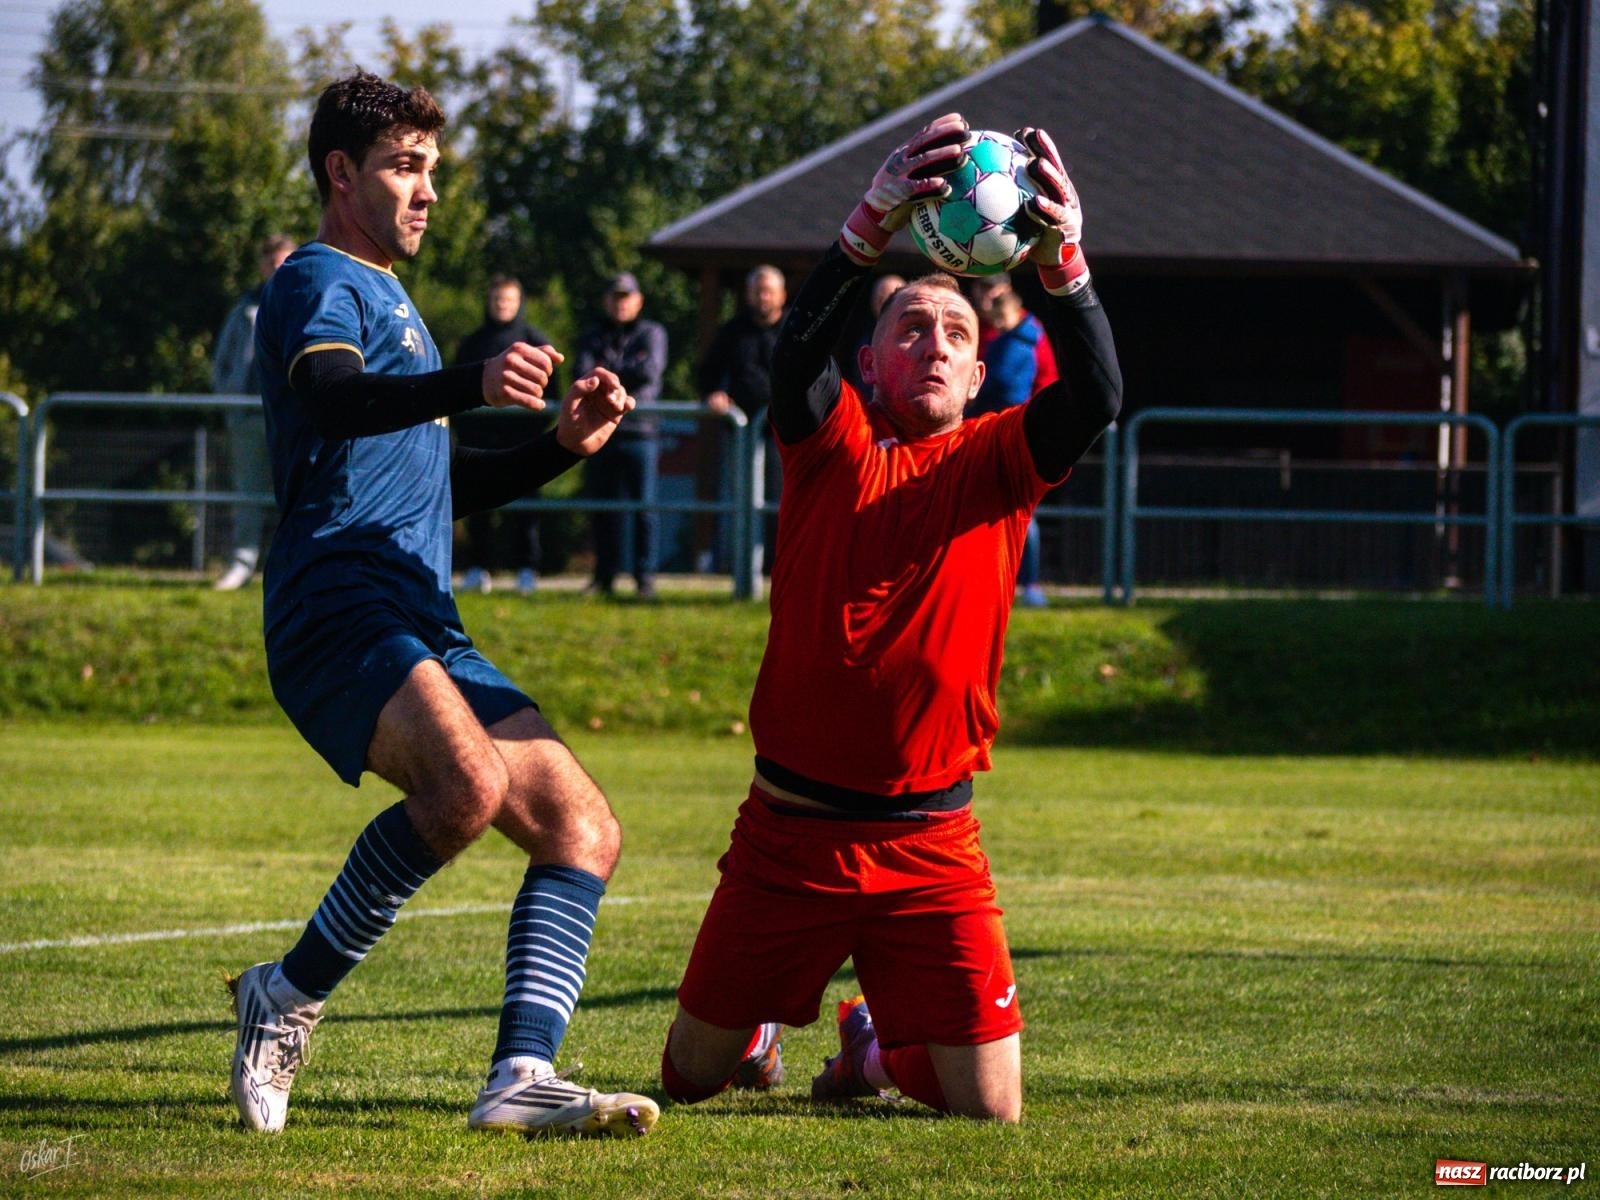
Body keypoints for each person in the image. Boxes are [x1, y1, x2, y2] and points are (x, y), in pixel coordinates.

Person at [658, 113, 1121, 1122]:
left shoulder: (1003, 457)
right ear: (869, 365)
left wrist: (1065, 258)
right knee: (686, 1079)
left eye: (955, 332)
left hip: (930, 843)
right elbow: (791, 358)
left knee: (991, 1112)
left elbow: (1097, 393)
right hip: (790, 835)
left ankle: (867, 1052)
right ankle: (760, 1030)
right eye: (909, 327)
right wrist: (867, 225)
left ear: (977, 367)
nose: (935, 344)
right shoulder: (830, 442)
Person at [229, 70, 657, 1139]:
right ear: (341, 173)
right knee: (465, 784)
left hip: (421, 613)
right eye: (403, 168)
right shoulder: (318, 281)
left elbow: (439, 481)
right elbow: (330, 391)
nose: (427, 192)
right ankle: (285, 998)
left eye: (431, 170)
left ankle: (520, 1075)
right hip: (336, 600)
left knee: (582, 829)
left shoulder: (398, 303)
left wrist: (559, 446)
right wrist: (471, 381)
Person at [453, 274, 558, 595]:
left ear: (520, 303)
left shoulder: (537, 343)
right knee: (477, 507)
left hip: (522, 439)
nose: (503, 306)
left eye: (509, 300)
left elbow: (552, 395)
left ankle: (527, 568)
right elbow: (455, 390)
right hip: (480, 440)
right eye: (498, 300)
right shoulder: (471, 344)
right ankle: (478, 567)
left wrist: (531, 431)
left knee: (527, 508)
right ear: (489, 302)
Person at [211, 233, 296, 591]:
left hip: (293, 419)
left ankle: (293, 568)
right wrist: (229, 402)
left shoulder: (308, 302)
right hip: (247, 416)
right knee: (248, 493)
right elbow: (222, 362)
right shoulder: (244, 308)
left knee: (294, 494)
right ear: (262, 265)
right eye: (270, 261)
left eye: (283, 261)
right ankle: (242, 564)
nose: (276, 268)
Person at [575, 273, 668, 597]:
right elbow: (582, 374)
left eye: (627, 296)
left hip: (640, 431)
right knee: (603, 507)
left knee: (645, 508)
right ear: (606, 301)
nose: (621, 302)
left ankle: (645, 579)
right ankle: (604, 577)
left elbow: (648, 372)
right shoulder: (592, 335)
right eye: (615, 296)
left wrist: (606, 372)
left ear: (639, 300)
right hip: (601, 431)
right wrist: (622, 370)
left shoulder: (653, 332)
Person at [968, 274, 1056, 607]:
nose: (987, 296)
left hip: (1018, 434)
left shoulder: (1029, 332)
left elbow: (1047, 381)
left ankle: (1029, 583)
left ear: (1007, 290)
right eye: (981, 289)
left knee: (1022, 513)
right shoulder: (976, 328)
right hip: (976, 435)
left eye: (993, 289)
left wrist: (1037, 425)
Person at [695, 265, 787, 573]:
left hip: (784, 432)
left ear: (781, 295)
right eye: (757, 291)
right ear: (748, 295)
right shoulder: (732, 332)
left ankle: (779, 568)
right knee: (740, 499)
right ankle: (739, 568)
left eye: (768, 291)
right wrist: (713, 394)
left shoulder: (796, 330)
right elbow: (707, 373)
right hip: (741, 430)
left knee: (781, 500)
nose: (763, 297)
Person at [840, 272, 906, 394]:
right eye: (879, 297)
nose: (883, 302)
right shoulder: (863, 337)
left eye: (889, 297)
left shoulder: (918, 338)